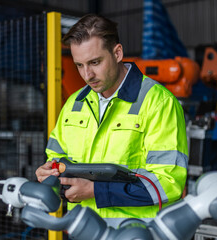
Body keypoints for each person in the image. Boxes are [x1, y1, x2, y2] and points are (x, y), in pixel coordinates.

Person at [35, 14, 188, 228]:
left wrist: (94, 191)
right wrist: (49, 171)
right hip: (84, 230)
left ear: (117, 53)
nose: (87, 75)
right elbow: (57, 158)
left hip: (138, 233)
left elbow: (168, 183)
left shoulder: (158, 102)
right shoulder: (74, 103)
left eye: (95, 62)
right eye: (79, 65)